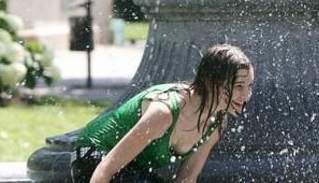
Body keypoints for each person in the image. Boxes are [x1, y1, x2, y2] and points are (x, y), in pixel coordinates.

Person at [70, 44, 254, 183]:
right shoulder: (164, 112)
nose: (246, 96)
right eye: (238, 86)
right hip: (93, 153)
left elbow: (187, 179)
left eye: (249, 86)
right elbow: (105, 169)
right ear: (211, 81)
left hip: (132, 167)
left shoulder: (217, 122)